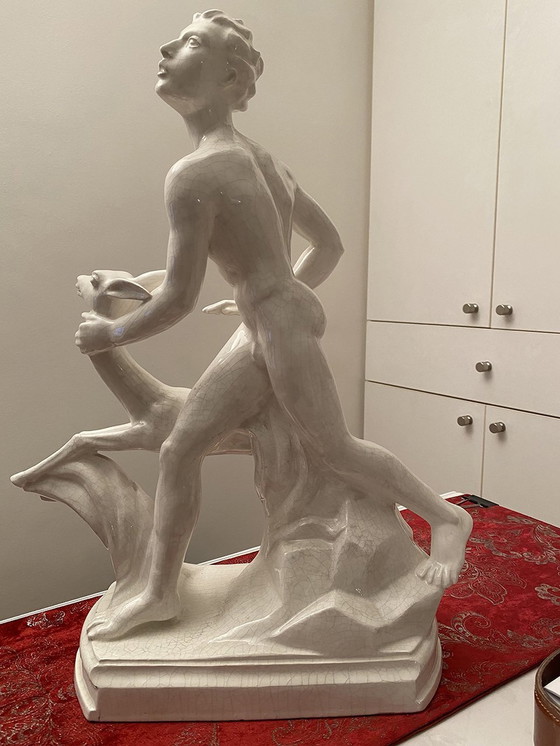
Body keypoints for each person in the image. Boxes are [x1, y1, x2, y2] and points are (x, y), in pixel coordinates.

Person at [77, 10, 472, 640]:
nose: (167, 48)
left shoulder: (194, 173)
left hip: (277, 328)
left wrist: (110, 335)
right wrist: (266, 295)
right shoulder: (264, 161)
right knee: (180, 447)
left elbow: (178, 298)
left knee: (335, 447)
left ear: (229, 77)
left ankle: (446, 518)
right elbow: (328, 246)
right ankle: (158, 593)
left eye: (190, 43)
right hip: (267, 323)